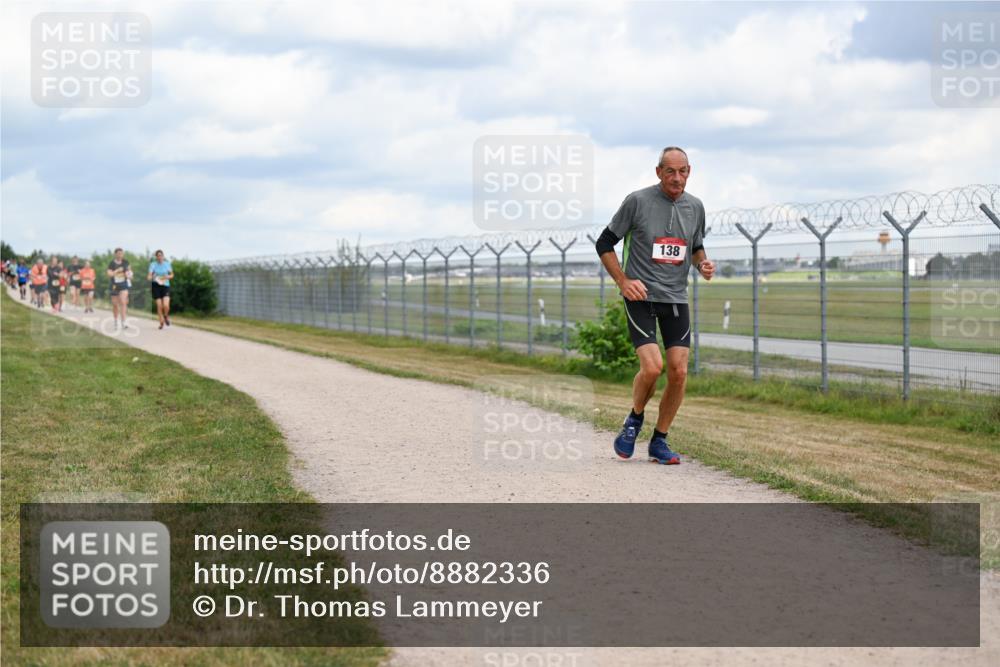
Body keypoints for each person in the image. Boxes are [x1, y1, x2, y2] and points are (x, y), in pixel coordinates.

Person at [595, 146, 716, 465]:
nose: (677, 178)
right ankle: (634, 420)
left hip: (675, 298)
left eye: (683, 171)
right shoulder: (637, 201)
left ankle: (659, 440)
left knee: (678, 371)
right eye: (670, 171)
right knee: (652, 367)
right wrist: (623, 282)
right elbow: (605, 243)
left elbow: (696, 247)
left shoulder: (696, 207)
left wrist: (702, 264)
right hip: (641, 297)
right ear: (658, 172)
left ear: (690, 171)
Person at [147, 250, 174, 329]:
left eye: (161, 255)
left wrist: (167, 277)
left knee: (166, 305)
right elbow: (148, 276)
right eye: (158, 256)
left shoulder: (167, 264)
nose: (159, 257)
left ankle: (165, 316)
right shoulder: (153, 265)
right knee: (159, 305)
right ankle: (161, 322)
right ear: (156, 257)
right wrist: (153, 277)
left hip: (165, 286)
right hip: (156, 286)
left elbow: (172, 274)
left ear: (163, 256)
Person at [107, 248, 133, 329]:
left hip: (123, 284)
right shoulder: (112, 263)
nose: (120, 255)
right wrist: (117, 270)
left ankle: (124, 322)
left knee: (123, 302)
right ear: (115, 254)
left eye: (121, 253)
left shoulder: (126, 262)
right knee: (115, 304)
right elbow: (109, 274)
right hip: (114, 285)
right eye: (118, 253)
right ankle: (116, 321)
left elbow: (129, 271)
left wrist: (130, 275)